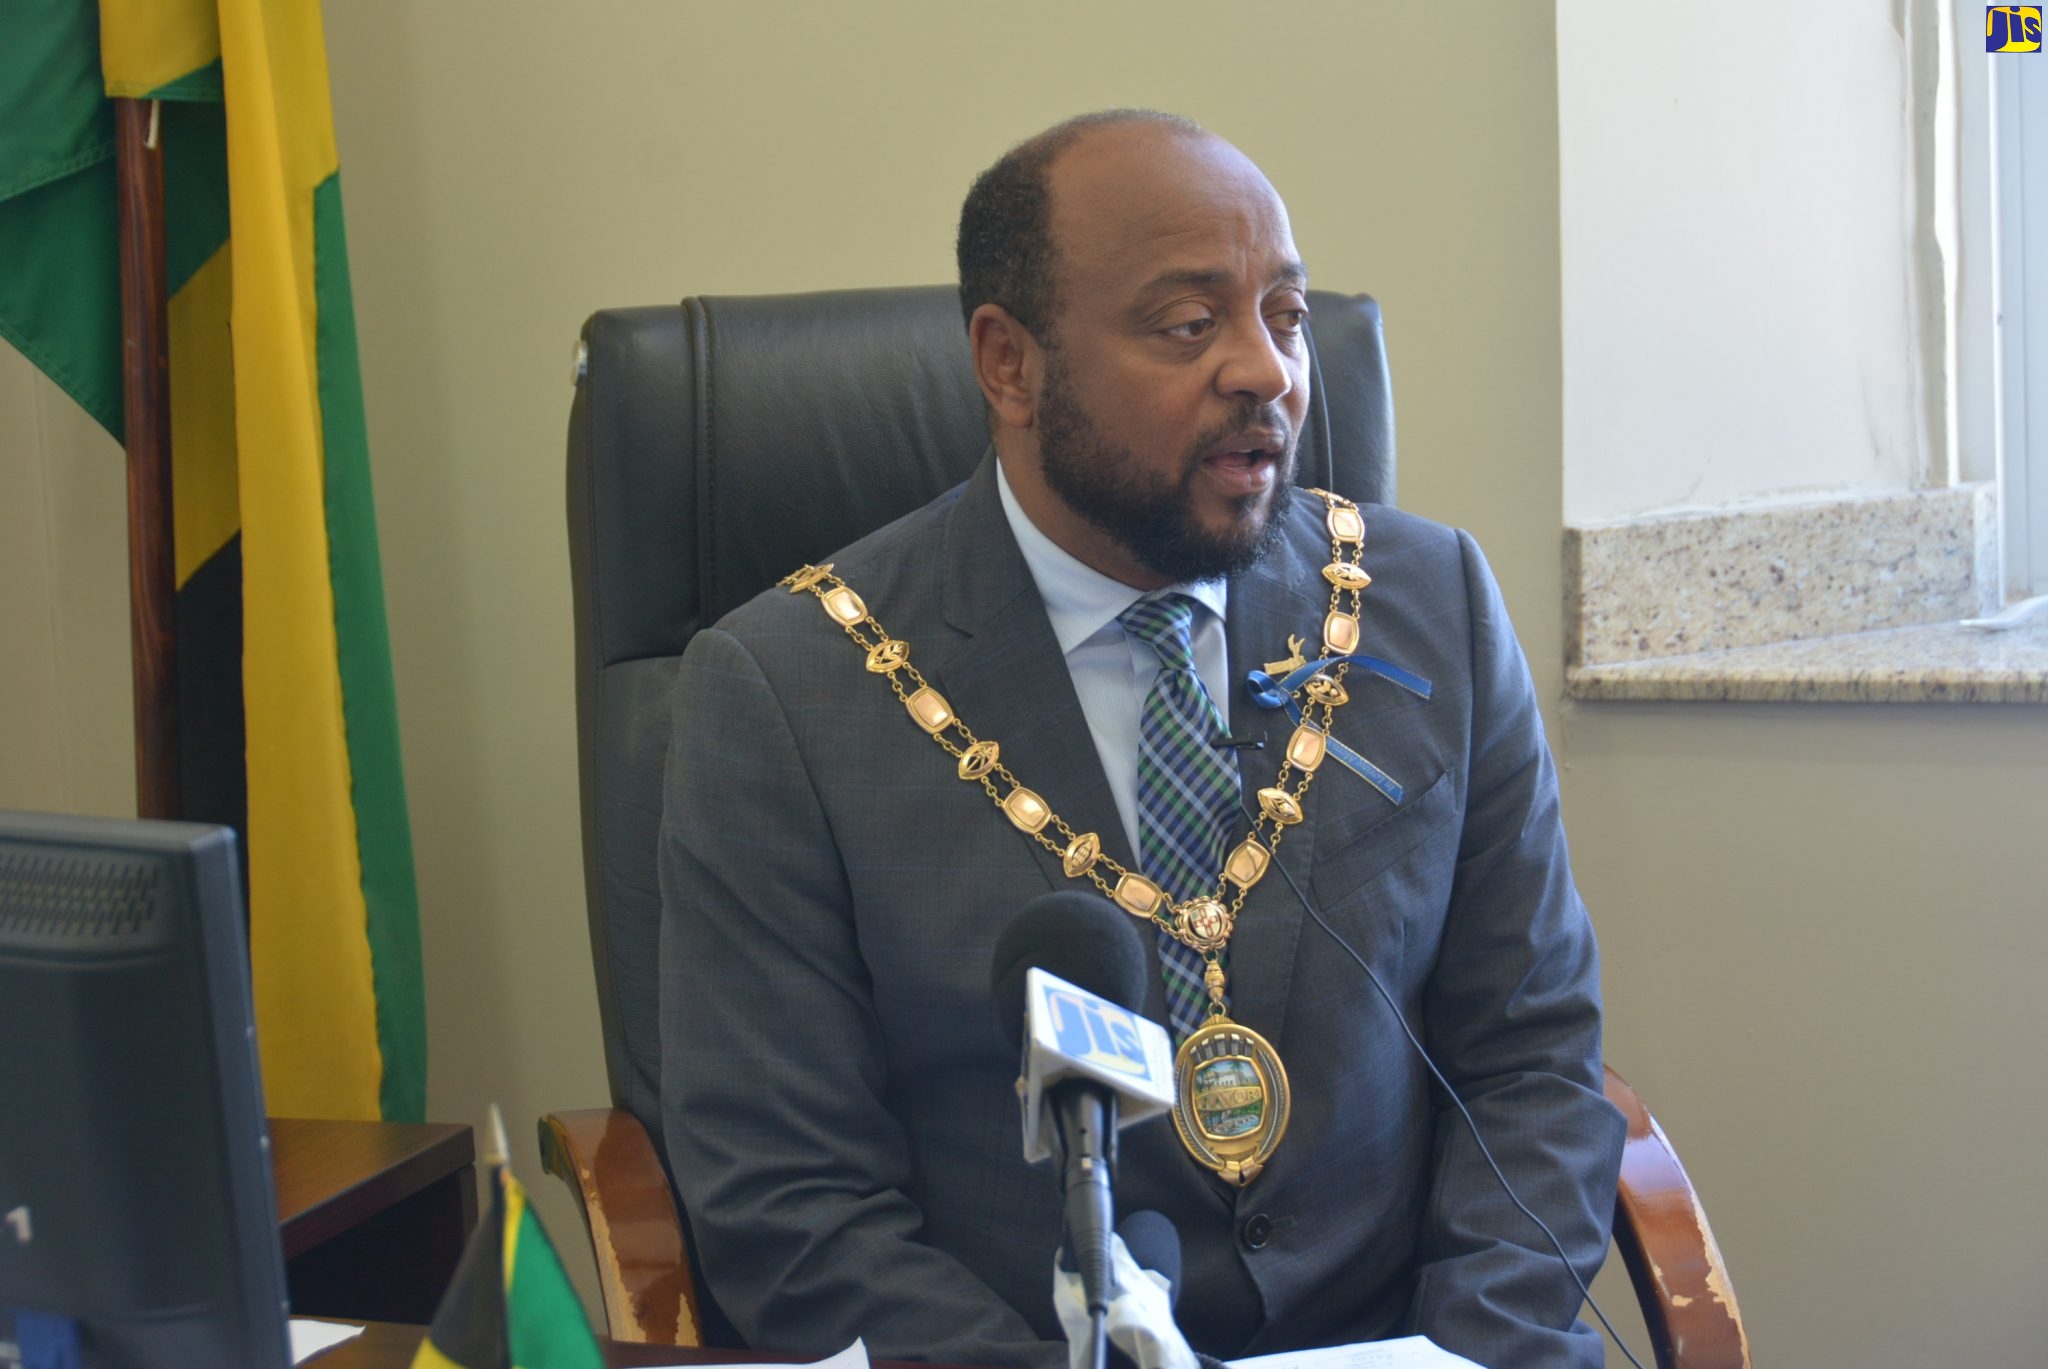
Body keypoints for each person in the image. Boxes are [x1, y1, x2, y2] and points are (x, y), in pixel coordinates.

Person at [658, 110, 1625, 1369]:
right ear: (1009, 365)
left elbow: (1532, 1057)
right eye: (1187, 324)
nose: (1266, 370)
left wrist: (1467, 1353)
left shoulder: (1427, 601)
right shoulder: (780, 693)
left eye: (1283, 314)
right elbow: (790, 1208)